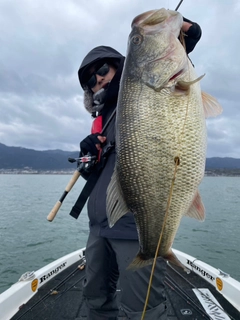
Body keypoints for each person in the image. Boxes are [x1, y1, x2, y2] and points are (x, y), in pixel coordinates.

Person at [77, 15, 202, 320]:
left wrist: (186, 32)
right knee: (95, 298)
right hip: (98, 228)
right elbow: (94, 174)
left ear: (121, 65)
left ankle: (157, 249)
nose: (100, 80)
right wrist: (86, 158)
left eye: (103, 69)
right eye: (91, 80)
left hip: (135, 229)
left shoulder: (141, 92)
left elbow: (172, 55)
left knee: (140, 311)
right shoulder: (101, 117)